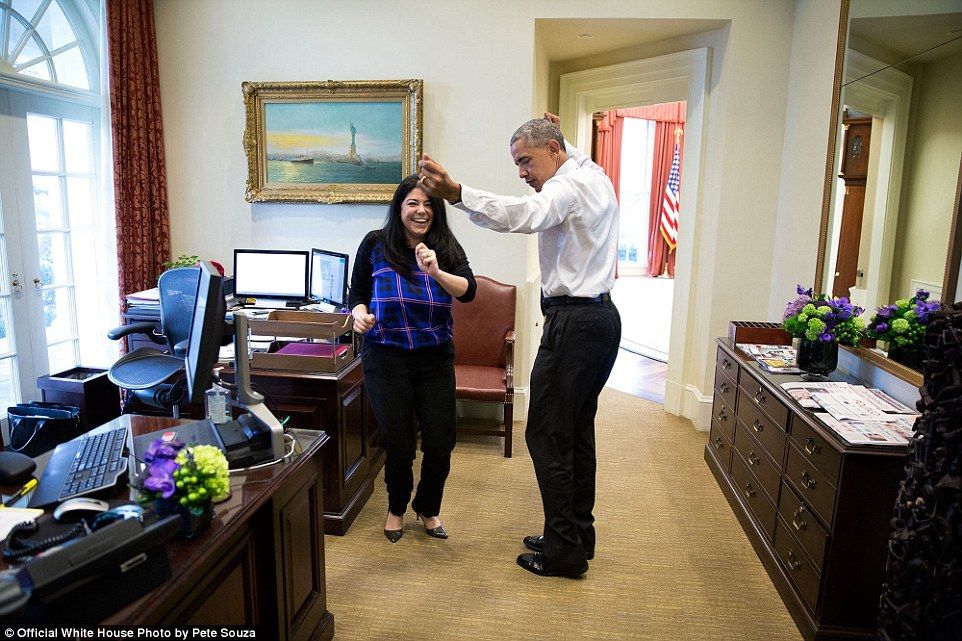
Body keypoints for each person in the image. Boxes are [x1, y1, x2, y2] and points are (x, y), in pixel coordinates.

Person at [418, 113, 621, 577]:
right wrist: (561, 132)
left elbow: (525, 215)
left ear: (553, 151)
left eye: (526, 161)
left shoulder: (565, 189)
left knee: (547, 435)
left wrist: (458, 193)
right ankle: (574, 534)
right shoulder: (592, 174)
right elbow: (567, 158)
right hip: (600, 322)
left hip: (574, 325)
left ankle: (564, 552)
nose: (522, 173)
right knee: (574, 433)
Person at [349, 173, 477, 543]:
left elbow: (468, 291)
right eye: (413, 204)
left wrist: (436, 270)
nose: (421, 211)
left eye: (428, 204)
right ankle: (396, 507)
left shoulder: (446, 246)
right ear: (399, 208)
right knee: (399, 442)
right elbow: (357, 292)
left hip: (434, 358)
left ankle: (428, 507)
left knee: (440, 441)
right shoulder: (375, 244)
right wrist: (359, 313)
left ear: (436, 210)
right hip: (385, 356)